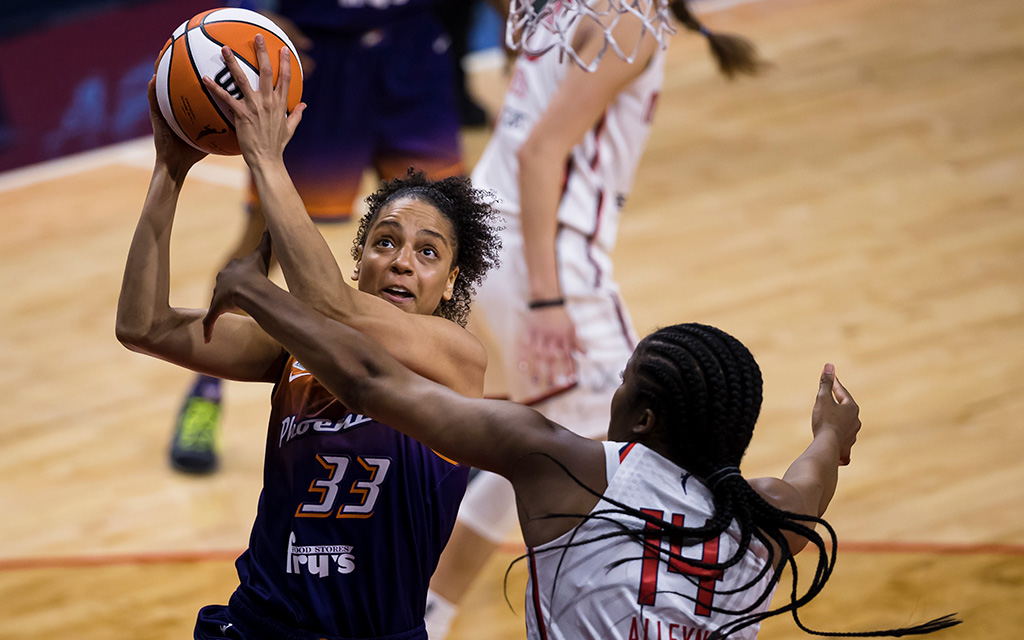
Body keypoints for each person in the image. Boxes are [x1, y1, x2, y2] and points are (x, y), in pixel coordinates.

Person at [201, 242, 963, 639]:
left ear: (641, 419)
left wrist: (257, 292)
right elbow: (812, 477)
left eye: (626, 379)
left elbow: (372, 385)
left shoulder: (565, 472)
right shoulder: (766, 522)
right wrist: (833, 433)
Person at [117, 37, 501, 638]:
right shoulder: (293, 352)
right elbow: (143, 325)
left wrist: (267, 159)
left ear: (451, 284)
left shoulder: (456, 360)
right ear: (360, 261)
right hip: (258, 624)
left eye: (428, 252)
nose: (402, 262)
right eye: (385, 241)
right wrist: (170, 169)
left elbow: (331, 305)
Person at [423, 1, 767, 632]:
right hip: (545, 261)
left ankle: (429, 612)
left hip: (486, 243)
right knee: (650, 458)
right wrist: (551, 300)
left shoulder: (575, 7)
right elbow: (539, 152)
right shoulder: (628, 20)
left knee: (540, 442)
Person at [169, 0, 469, 474]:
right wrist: (254, 14)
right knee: (265, 234)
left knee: (447, 234)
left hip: (410, 44)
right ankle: (205, 390)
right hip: (318, 55)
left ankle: (452, 413)